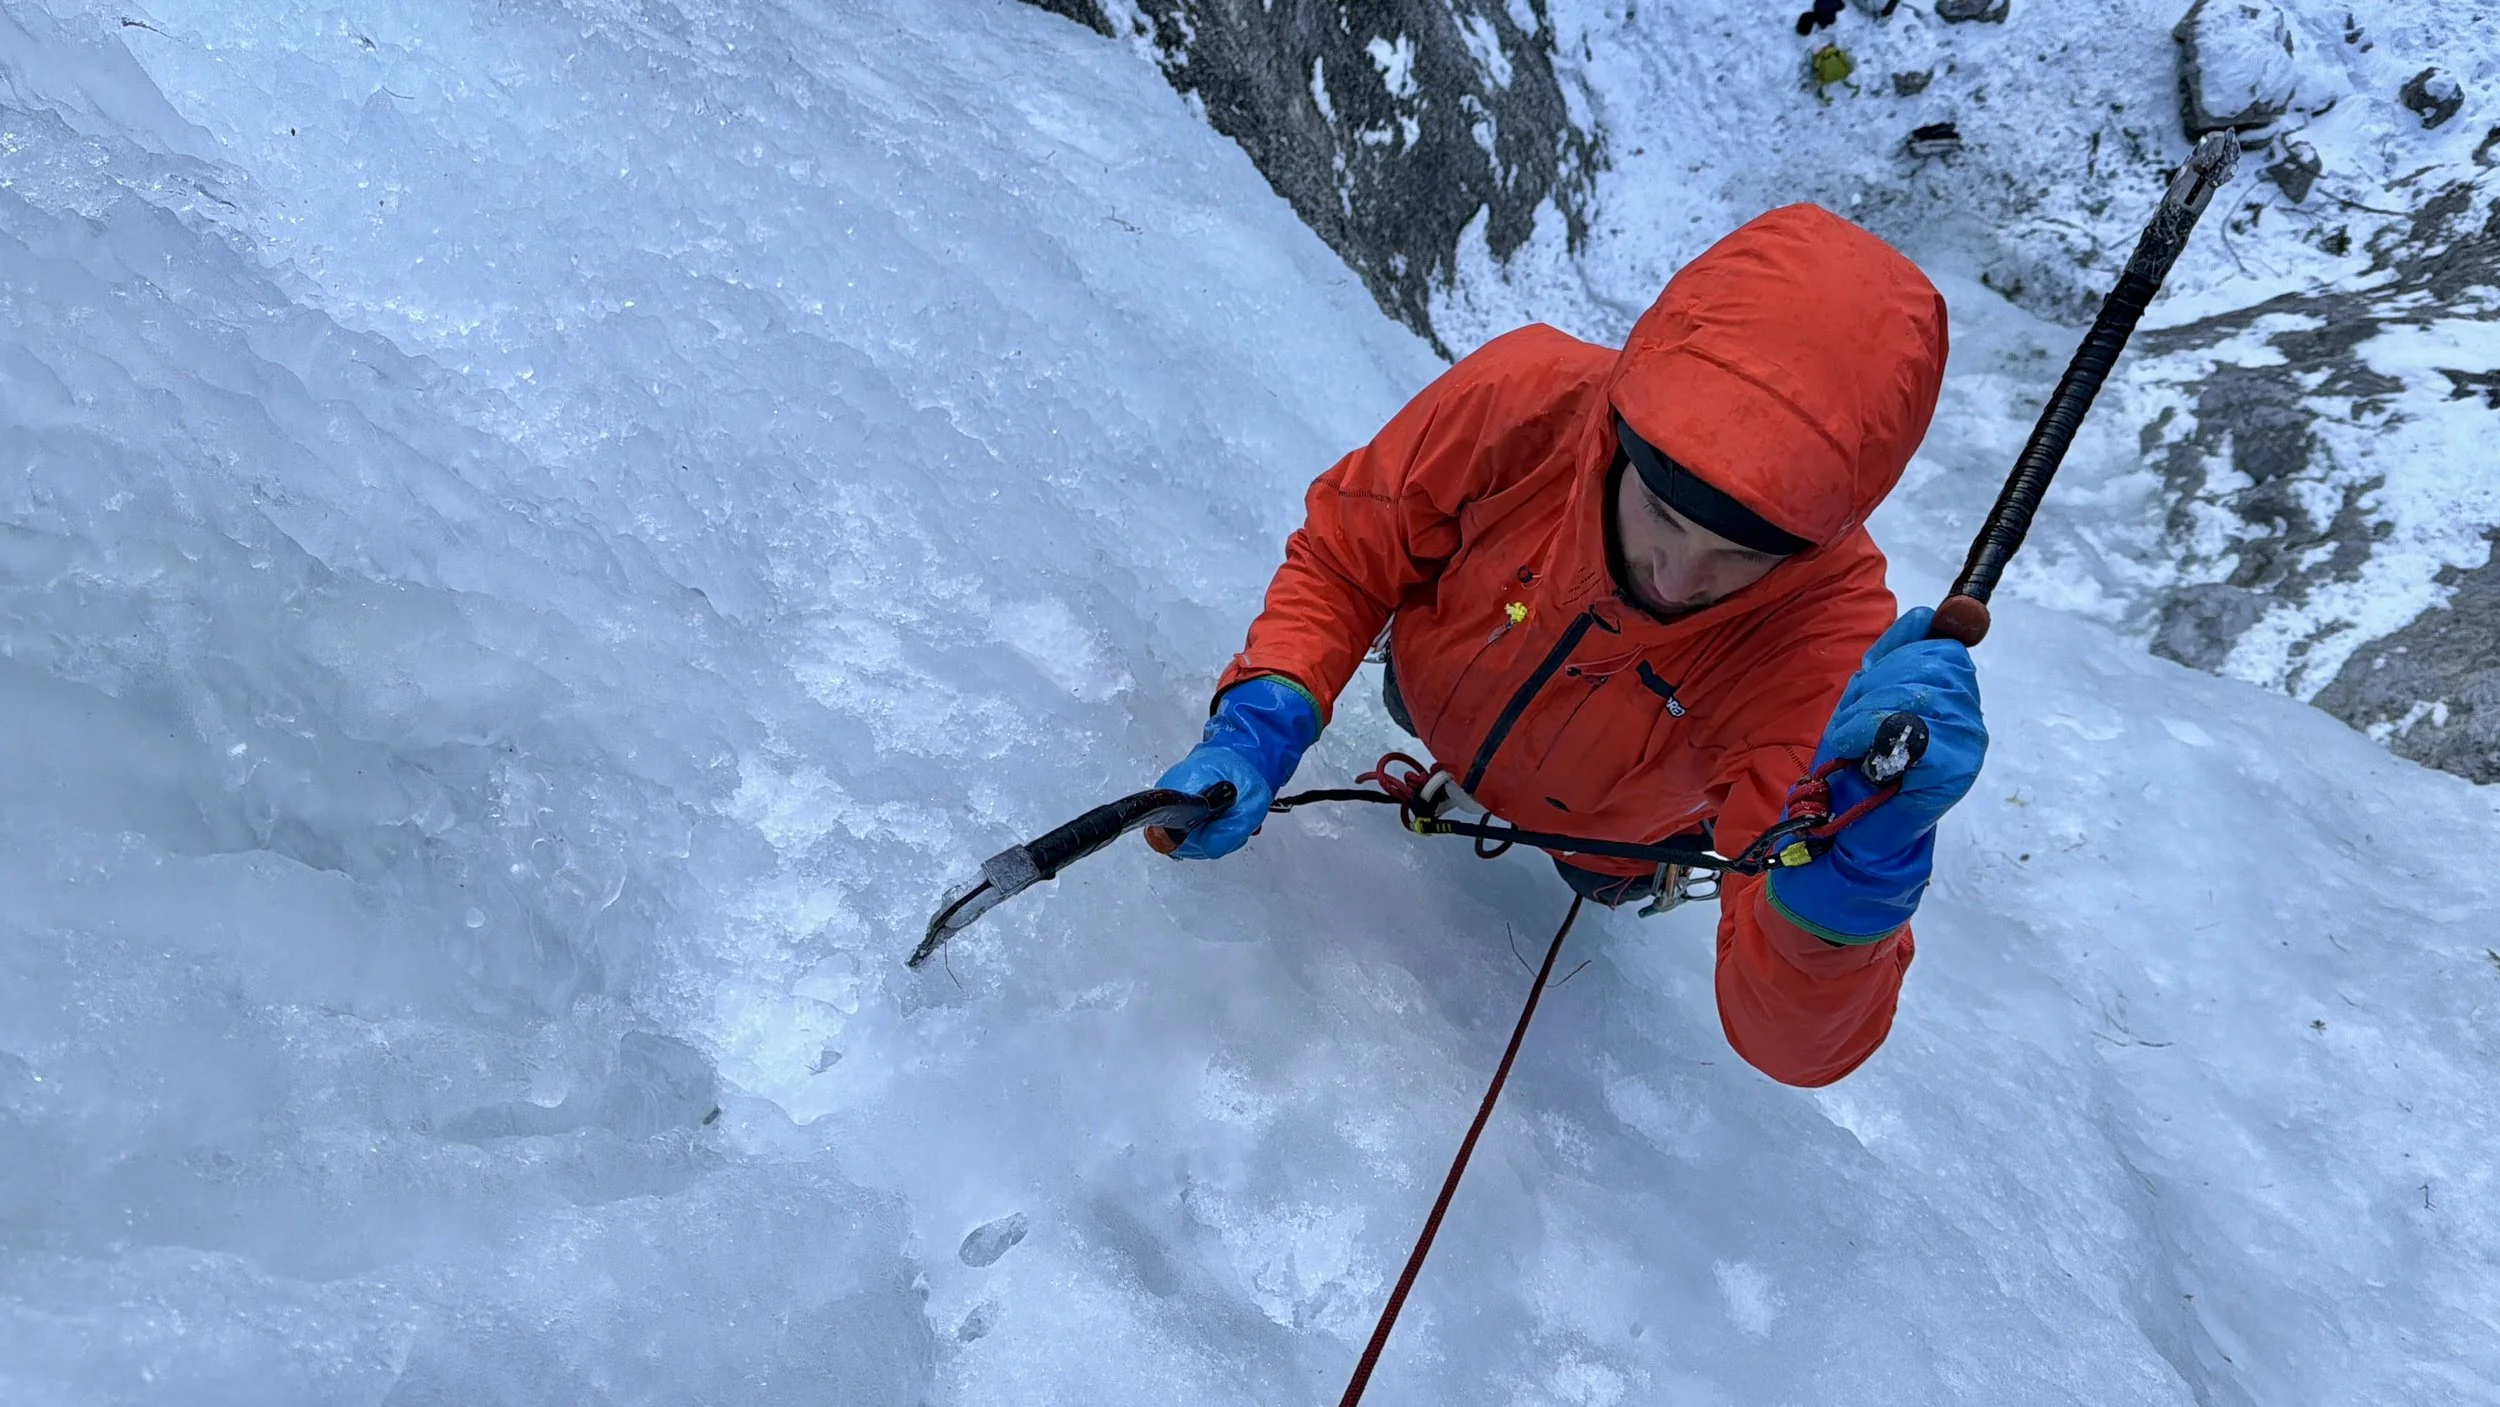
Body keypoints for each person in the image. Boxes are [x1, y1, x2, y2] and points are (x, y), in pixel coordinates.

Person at [1154, 205, 1987, 1087]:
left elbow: (1788, 1044)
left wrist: (1845, 892)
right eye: (1661, 513)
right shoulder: (1524, 402)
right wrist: (1262, 717)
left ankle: (1619, 869)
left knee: (1601, 877)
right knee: (1409, 698)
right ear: (1619, 430)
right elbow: (1351, 556)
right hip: (1435, 693)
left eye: (1742, 555)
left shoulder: (1827, 654)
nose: (1676, 576)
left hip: (1611, 838)